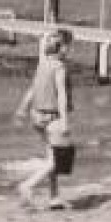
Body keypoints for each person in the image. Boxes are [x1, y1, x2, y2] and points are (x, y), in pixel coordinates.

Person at [15, 32, 74, 208]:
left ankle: (54, 197)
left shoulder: (43, 64)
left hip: (36, 115)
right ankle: (27, 185)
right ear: (62, 48)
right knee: (58, 160)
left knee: (51, 157)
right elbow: (62, 96)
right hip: (52, 117)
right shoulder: (59, 67)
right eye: (69, 46)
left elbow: (32, 89)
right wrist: (65, 121)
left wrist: (22, 109)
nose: (71, 49)